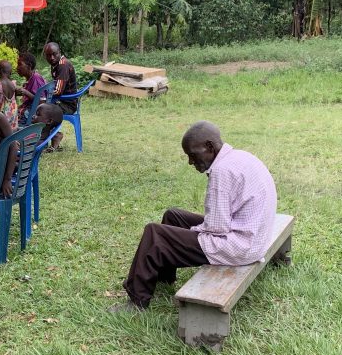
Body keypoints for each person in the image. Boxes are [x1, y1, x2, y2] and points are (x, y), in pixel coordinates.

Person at [111, 121, 277, 313]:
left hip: (240, 247)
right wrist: (183, 233)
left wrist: (189, 232)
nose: (190, 162)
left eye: (192, 155)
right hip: (253, 237)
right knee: (173, 216)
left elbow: (216, 228)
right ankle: (165, 278)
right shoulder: (239, 157)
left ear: (209, 147)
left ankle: (137, 301)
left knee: (155, 233)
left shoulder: (221, 171)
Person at [43, 42, 78, 150]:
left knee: (43, 112)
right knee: (41, 108)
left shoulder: (63, 65)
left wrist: (42, 95)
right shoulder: (56, 64)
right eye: (49, 55)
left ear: (60, 53)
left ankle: (45, 142)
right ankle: (53, 137)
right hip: (61, 102)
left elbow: (58, 91)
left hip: (67, 105)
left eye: (54, 54)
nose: (52, 58)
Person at [16, 52, 46, 126]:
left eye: (20, 64)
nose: (17, 67)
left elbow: (42, 101)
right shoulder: (31, 78)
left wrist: (25, 92)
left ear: (29, 66)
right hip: (28, 111)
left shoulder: (36, 78)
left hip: (30, 114)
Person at [0, 59, 19, 130]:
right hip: (13, 113)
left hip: (3, 115)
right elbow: (15, 99)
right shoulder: (13, 83)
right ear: (10, 72)